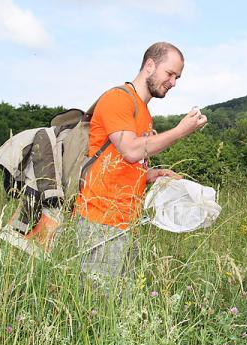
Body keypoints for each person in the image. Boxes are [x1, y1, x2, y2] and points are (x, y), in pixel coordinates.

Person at [74, 41, 207, 284]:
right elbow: (131, 151)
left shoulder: (143, 111)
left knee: (121, 305)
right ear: (149, 65)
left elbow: (123, 164)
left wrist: (151, 175)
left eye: (177, 77)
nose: (173, 82)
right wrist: (180, 131)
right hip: (101, 221)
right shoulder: (118, 99)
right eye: (169, 74)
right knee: (99, 307)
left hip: (127, 222)